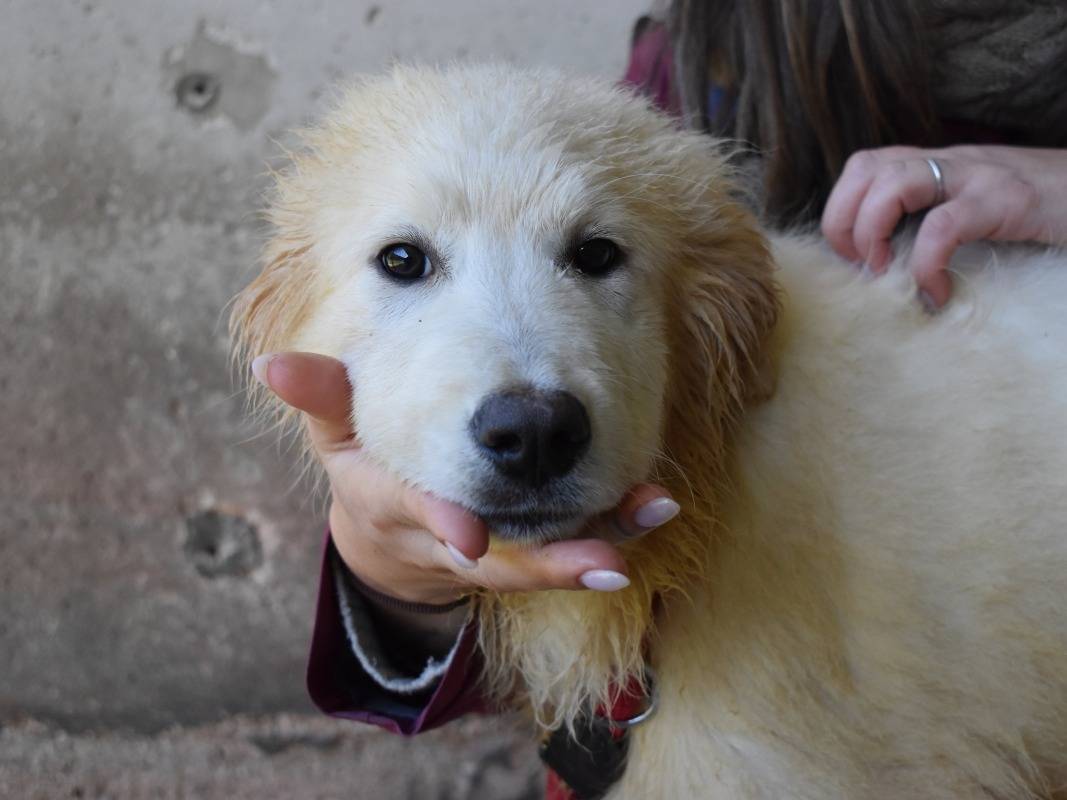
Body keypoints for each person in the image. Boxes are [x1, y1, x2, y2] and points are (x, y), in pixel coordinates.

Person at [249, 0, 1067, 792]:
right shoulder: (704, 55)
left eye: (594, 253)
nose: (527, 400)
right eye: (404, 261)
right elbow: (459, 647)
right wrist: (397, 579)